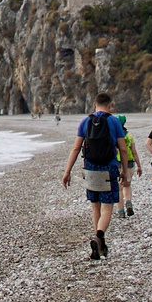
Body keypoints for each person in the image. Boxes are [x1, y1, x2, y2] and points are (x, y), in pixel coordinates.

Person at [59, 91, 127, 259]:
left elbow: (76, 148)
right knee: (107, 207)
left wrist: (67, 171)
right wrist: (124, 170)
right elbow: (123, 149)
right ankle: (99, 235)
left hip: (89, 168)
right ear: (110, 106)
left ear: (94, 105)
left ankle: (98, 245)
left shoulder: (85, 121)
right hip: (108, 168)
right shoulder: (114, 121)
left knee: (95, 206)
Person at [114, 113, 141, 216]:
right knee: (127, 184)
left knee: (118, 188)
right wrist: (139, 165)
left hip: (117, 162)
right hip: (129, 162)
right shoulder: (129, 135)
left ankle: (121, 211)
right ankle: (128, 202)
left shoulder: (114, 135)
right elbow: (134, 152)